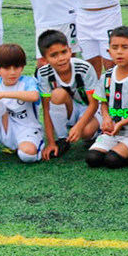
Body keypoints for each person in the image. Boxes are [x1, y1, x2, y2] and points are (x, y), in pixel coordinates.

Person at [85, 26, 128, 169]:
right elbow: (103, 102)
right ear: (108, 51)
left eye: (125, 47)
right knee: (92, 159)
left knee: (112, 160)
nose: (119, 52)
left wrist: (121, 123)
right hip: (112, 131)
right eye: (115, 47)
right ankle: (117, 147)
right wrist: (106, 118)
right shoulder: (107, 76)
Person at [35, 29, 101, 160]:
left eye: (64, 52)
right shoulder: (43, 73)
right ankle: (62, 139)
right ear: (45, 59)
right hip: (71, 108)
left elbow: (94, 103)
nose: (61, 59)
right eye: (54, 55)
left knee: (86, 131)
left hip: (91, 108)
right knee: (57, 94)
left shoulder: (84, 68)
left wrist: (79, 126)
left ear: (70, 51)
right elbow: (46, 109)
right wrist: (51, 142)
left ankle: (95, 133)